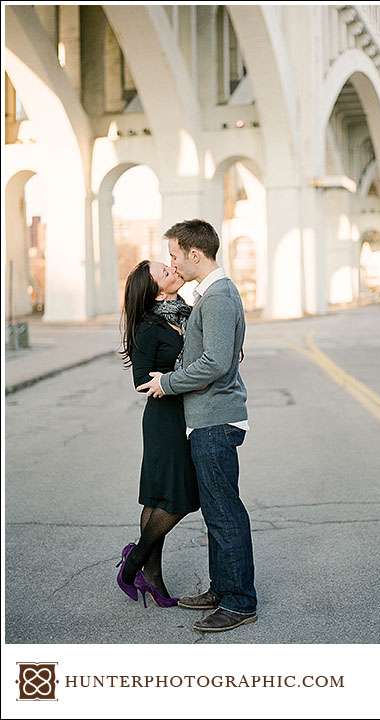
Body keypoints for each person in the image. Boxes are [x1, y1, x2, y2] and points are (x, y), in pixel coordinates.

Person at [137, 219, 257, 633]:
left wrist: (166, 382)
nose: (172, 262)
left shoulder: (219, 296)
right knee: (215, 514)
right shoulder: (209, 295)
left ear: (194, 253)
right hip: (205, 419)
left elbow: (216, 362)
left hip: (215, 421)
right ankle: (222, 589)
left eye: (173, 255)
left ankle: (240, 601)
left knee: (225, 515)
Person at [116, 261, 200, 608]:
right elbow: (140, 380)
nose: (173, 270)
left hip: (188, 413)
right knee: (180, 499)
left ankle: (152, 579)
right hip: (164, 420)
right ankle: (134, 563)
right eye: (165, 272)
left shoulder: (188, 313)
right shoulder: (149, 326)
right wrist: (175, 376)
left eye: (169, 266)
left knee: (157, 499)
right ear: (155, 291)